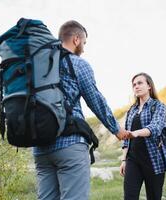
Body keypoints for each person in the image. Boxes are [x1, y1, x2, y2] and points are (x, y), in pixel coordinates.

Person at [33, 20, 129, 200]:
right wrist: (116, 129)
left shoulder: (39, 65)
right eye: (84, 43)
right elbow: (95, 100)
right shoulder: (78, 64)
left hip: (40, 148)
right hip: (69, 143)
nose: (83, 48)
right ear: (76, 39)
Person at [119, 72, 166, 200]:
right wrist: (124, 160)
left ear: (149, 86)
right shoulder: (132, 110)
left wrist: (136, 133)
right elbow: (126, 140)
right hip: (133, 160)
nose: (136, 86)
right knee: (129, 197)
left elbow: (156, 127)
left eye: (140, 83)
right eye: (134, 84)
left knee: (153, 197)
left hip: (153, 160)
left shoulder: (158, 106)